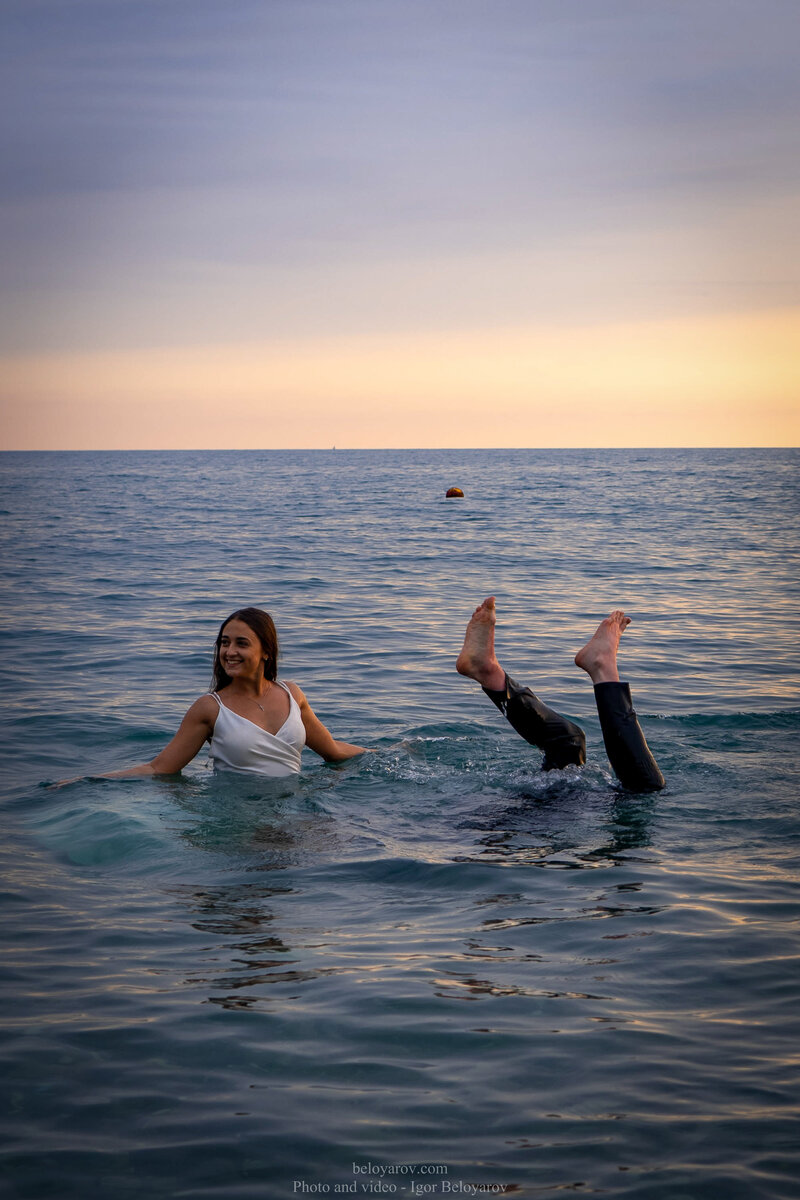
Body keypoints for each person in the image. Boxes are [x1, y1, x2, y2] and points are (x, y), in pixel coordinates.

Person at [70, 607, 367, 781]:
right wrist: (87, 781)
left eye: (241, 643)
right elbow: (159, 768)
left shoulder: (291, 694)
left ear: (266, 651)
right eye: (224, 643)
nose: (230, 652)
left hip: (294, 807)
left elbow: (333, 752)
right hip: (237, 816)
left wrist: (395, 752)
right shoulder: (210, 708)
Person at [456, 597, 664, 791]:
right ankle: (489, 672)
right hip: (557, 812)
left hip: (548, 813)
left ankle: (488, 672)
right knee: (573, 743)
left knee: (572, 745)